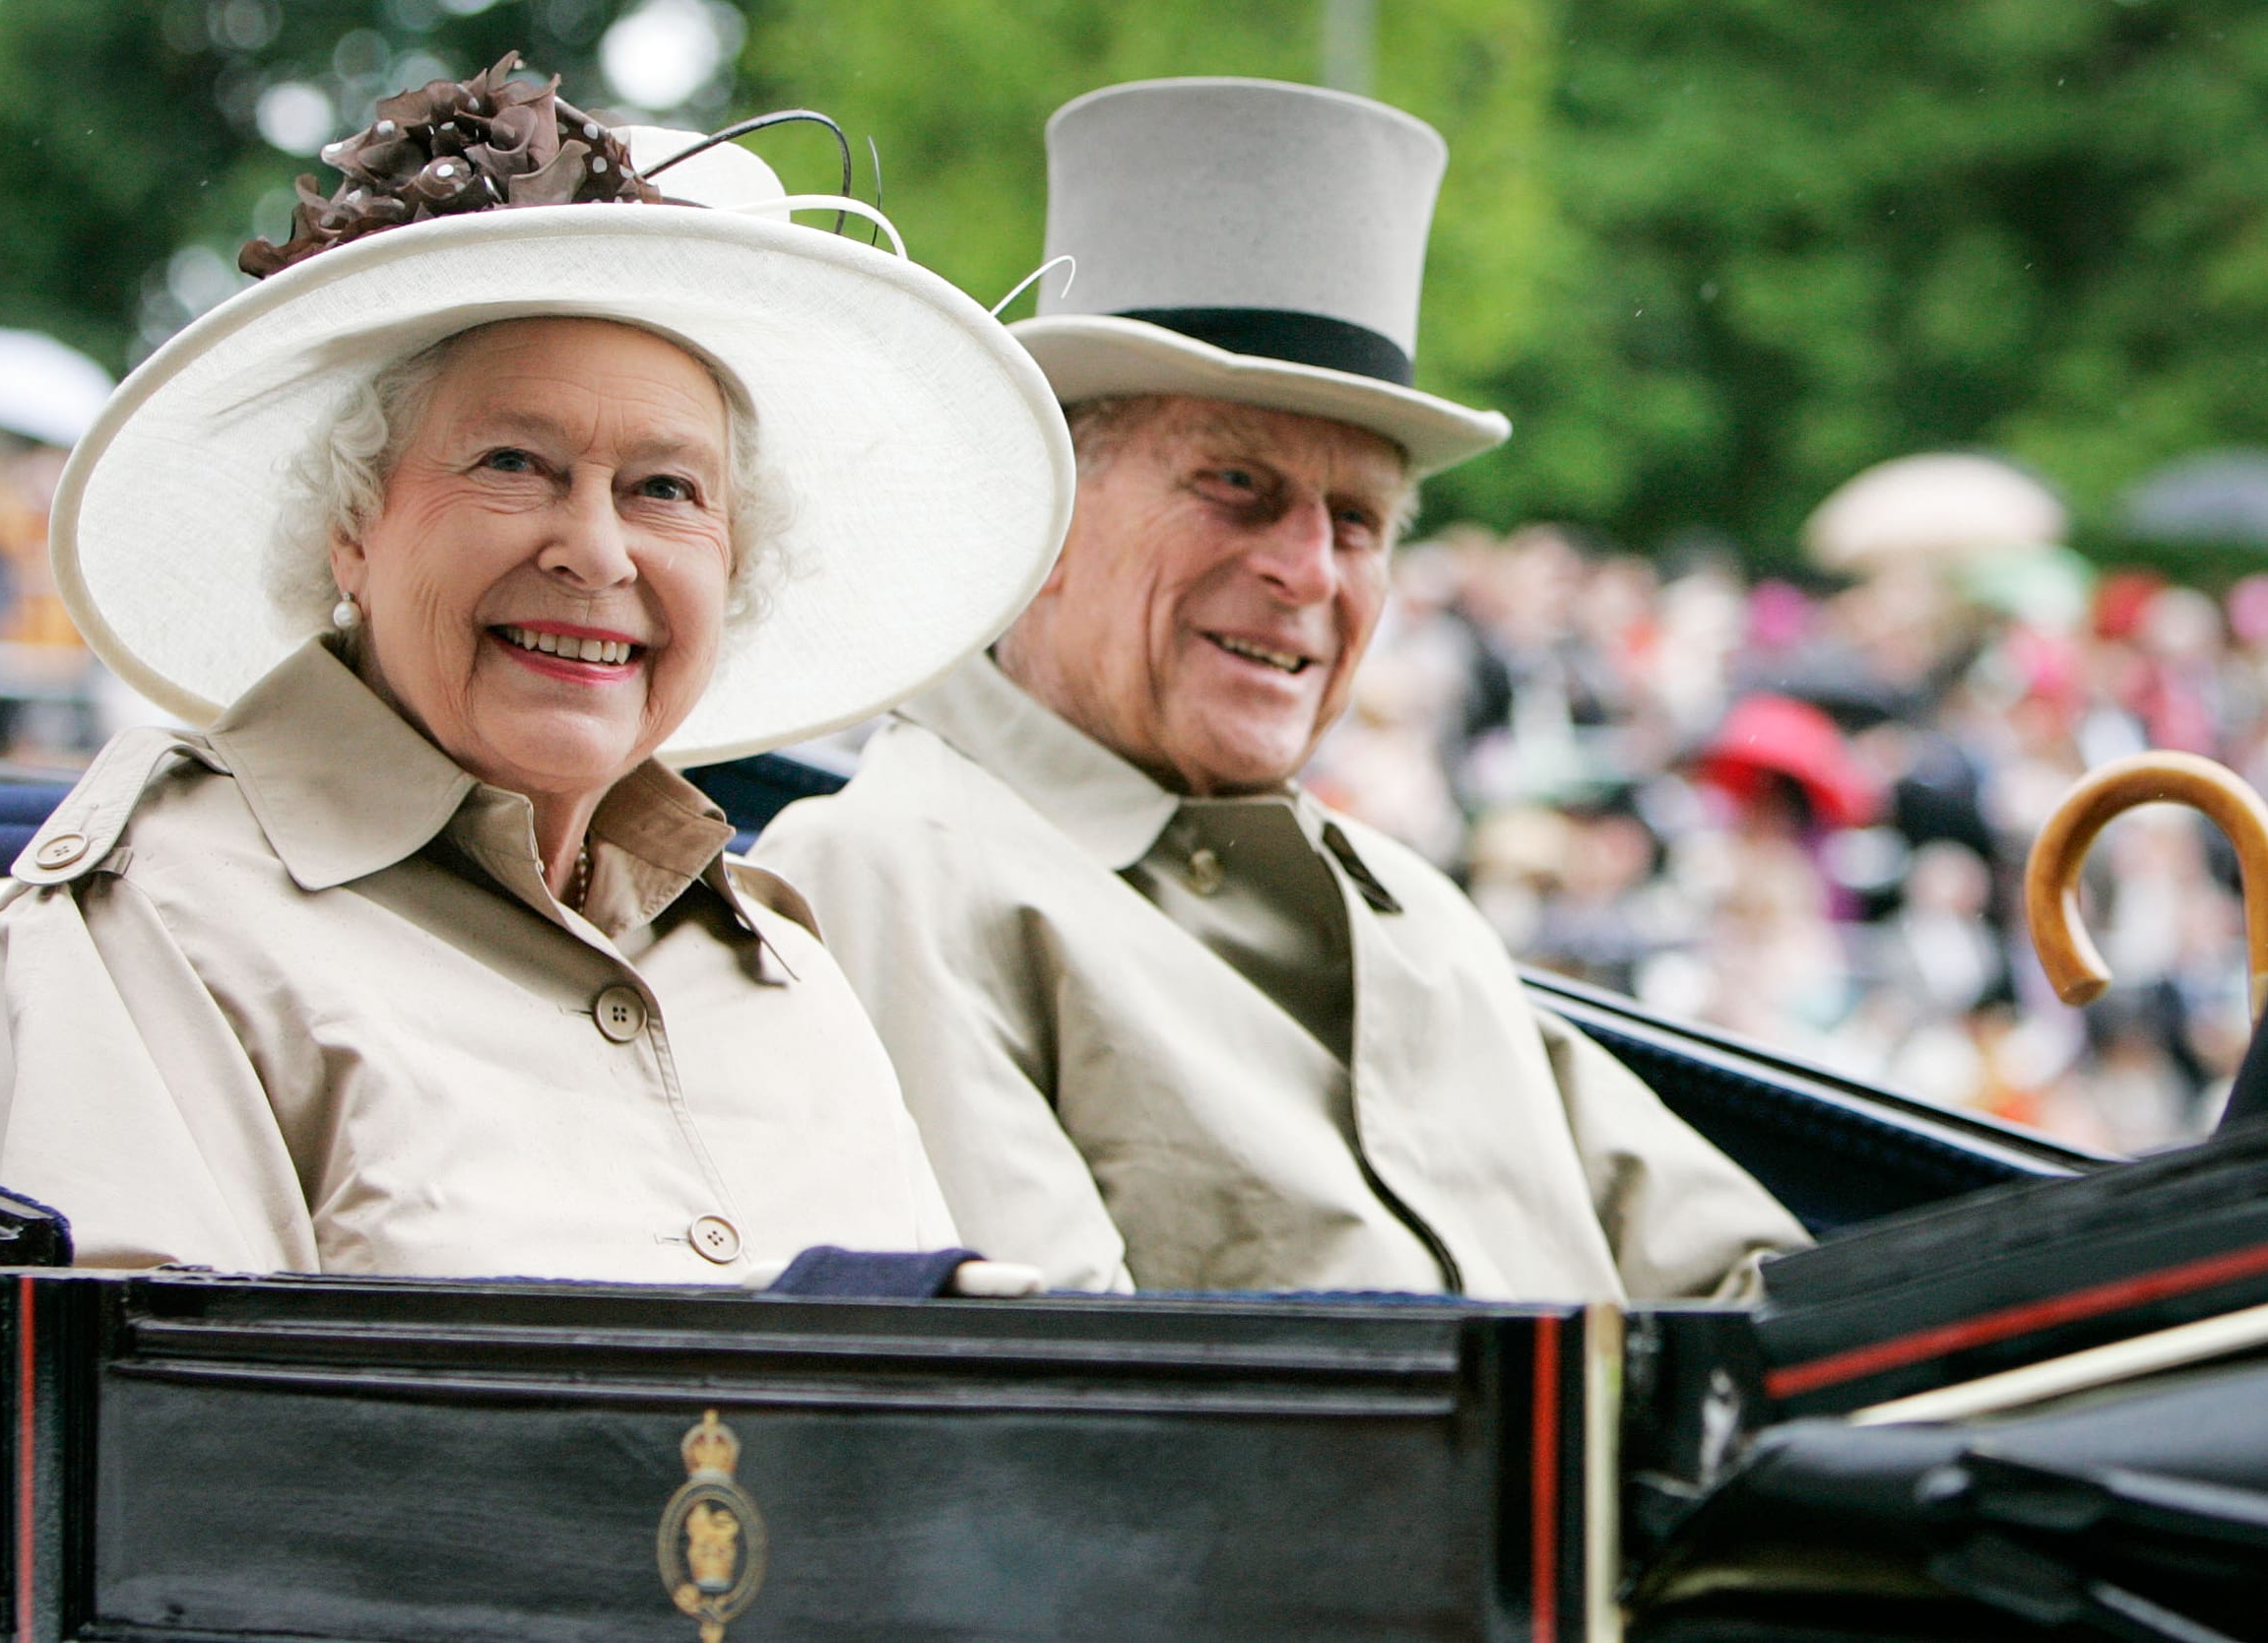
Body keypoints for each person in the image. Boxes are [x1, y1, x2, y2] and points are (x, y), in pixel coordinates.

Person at [0, 56, 1074, 1279]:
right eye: (514, 464)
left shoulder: (787, 967)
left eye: (665, 490)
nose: (595, 551)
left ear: (735, 564)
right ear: (352, 523)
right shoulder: (157, 923)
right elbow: (159, 1448)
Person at [756, 78, 1809, 1298]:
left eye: (1355, 520)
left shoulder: (1416, 917)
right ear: (1037, 523)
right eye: (1235, 487)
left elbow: (1757, 1288)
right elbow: (1069, 1410)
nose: (1307, 571)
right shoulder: (888, 870)